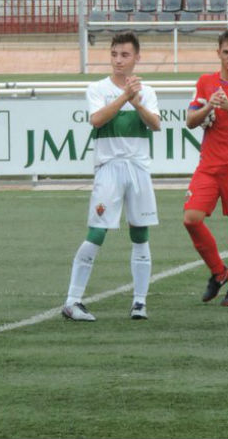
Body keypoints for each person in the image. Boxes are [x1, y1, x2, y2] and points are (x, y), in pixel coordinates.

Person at [63, 32, 161, 322]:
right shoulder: (97, 88)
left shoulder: (148, 91)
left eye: (125, 55)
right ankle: (72, 300)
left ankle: (139, 302)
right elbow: (97, 119)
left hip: (138, 168)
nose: (119, 60)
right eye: (115, 54)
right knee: (97, 230)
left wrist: (137, 101)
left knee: (140, 233)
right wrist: (124, 97)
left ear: (137, 58)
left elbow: (155, 124)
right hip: (109, 167)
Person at [183, 30, 228, 306]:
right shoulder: (206, 82)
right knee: (191, 218)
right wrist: (208, 107)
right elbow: (190, 120)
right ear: (218, 53)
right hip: (209, 165)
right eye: (226, 52)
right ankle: (218, 271)